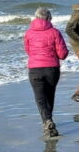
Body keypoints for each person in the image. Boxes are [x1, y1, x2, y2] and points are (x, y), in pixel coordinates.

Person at [24, 7, 69, 138]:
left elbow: (28, 51)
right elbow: (62, 54)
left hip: (34, 69)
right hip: (51, 68)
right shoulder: (55, 32)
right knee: (49, 96)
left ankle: (47, 121)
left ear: (36, 17)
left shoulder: (28, 33)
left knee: (39, 98)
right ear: (49, 18)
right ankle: (48, 121)